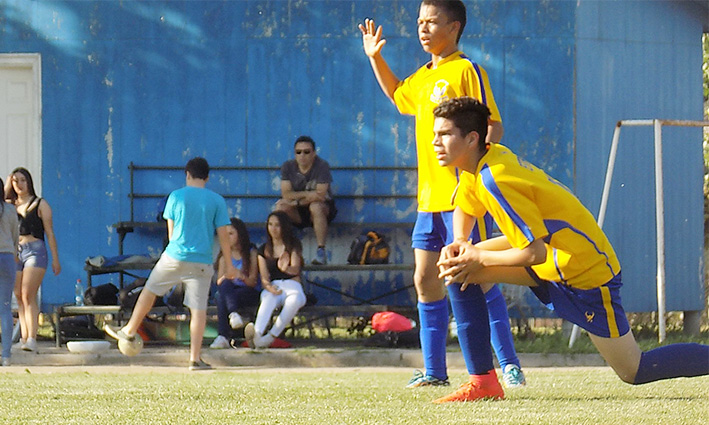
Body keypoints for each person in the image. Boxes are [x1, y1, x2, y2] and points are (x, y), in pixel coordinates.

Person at [433, 96, 709, 401]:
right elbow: (466, 206)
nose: (435, 142)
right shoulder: (480, 163)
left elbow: (532, 253)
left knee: (634, 371)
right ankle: (483, 382)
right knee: (458, 268)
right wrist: (461, 242)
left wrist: (479, 255)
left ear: (472, 139)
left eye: (444, 134)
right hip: (552, 256)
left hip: (584, 271)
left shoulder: (493, 178)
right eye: (435, 134)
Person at [359, 0, 525, 390]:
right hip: (428, 201)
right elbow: (400, 95)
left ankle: (509, 365)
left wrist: (474, 177)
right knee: (424, 279)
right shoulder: (424, 75)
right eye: (419, 22)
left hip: (460, 200)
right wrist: (374, 58)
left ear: (454, 26)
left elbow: (492, 128)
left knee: (476, 279)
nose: (423, 28)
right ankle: (435, 371)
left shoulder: (466, 69)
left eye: (431, 21)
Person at [105, 157, 236, 370]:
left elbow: (171, 232)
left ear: (187, 174)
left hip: (175, 255)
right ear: (208, 177)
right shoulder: (216, 200)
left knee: (150, 290)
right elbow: (223, 235)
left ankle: (129, 329)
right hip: (202, 260)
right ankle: (195, 358)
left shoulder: (175, 196)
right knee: (198, 310)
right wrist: (229, 264)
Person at [4, 167, 61, 352]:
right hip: (16, 250)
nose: (19, 184)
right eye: (15, 181)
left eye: (22, 180)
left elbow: (50, 232)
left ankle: (32, 337)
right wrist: (7, 185)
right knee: (19, 296)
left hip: (35, 250)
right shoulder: (9, 205)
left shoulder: (40, 204)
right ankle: (23, 337)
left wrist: (55, 259)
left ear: (29, 182)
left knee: (28, 293)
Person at [244, 211, 307, 349]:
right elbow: (264, 278)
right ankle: (257, 333)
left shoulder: (293, 245)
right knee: (268, 299)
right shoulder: (263, 250)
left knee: (293, 301)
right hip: (274, 285)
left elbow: (295, 269)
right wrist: (269, 287)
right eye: (270, 225)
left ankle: (269, 337)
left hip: (293, 286)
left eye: (277, 225)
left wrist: (285, 269)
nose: (273, 229)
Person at [274, 135, 336, 265]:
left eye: (307, 152)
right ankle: (283, 251)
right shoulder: (288, 166)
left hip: (321, 210)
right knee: (280, 208)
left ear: (314, 153)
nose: (302, 155)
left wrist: (296, 200)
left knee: (316, 206)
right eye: (298, 152)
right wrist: (307, 195)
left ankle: (321, 251)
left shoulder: (322, 166)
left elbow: (320, 195)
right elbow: (286, 194)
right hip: (298, 211)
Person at [210, 217, 260, 349]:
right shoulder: (223, 257)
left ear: (240, 234)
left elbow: (252, 282)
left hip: (246, 292)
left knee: (221, 296)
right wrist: (228, 275)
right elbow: (219, 282)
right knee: (222, 291)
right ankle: (233, 315)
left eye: (231, 234)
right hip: (228, 292)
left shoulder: (251, 253)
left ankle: (223, 336)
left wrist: (241, 276)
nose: (227, 237)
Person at [0, 177, 19, 366]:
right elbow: (15, 236)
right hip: (6, 257)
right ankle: (6, 355)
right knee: (5, 308)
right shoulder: (10, 210)